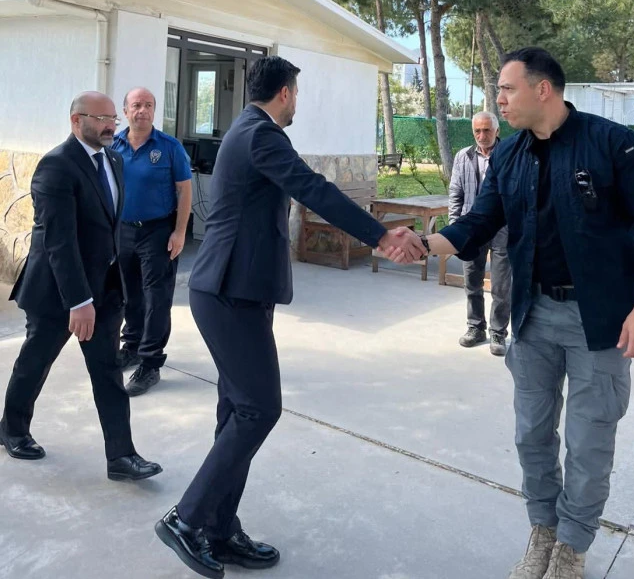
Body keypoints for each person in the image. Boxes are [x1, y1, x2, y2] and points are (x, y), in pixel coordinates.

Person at [386, 47, 634, 579]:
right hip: (531, 314)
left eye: (507, 88)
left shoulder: (613, 144)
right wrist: (425, 244)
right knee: (532, 435)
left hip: (601, 321)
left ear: (542, 89)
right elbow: (479, 221)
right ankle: (543, 530)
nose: (498, 99)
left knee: (589, 441)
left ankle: (572, 546)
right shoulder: (510, 155)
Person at [154, 56, 426, 579]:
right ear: (284, 92)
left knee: (236, 412)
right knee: (259, 409)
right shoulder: (261, 134)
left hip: (237, 291)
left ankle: (219, 528)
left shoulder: (247, 130)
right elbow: (312, 186)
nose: (297, 101)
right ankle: (186, 519)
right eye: (296, 92)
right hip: (229, 293)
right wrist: (379, 234)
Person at [0, 92, 163, 482]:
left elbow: (108, 226)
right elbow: (59, 242)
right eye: (101, 118)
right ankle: (12, 429)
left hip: (103, 290)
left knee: (108, 371)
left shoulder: (113, 160)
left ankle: (121, 457)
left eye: (113, 119)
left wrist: (110, 286)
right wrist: (79, 301)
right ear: (76, 120)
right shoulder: (56, 166)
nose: (111, 126)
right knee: (35, 363)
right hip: (57, 292)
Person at [112, 87, 193, 397]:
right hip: (123, 230)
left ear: (154, 111)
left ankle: (150, 363)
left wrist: (180, 232)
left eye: (148, 105)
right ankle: (132, 346)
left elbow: (184, 191)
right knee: (129, 293)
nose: (142, 110)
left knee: (156, 297)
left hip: (158, 231)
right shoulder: (113, 145)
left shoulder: (169, 147)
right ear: (125, 111)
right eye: (136, 105)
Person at [449, 111, 512, 356]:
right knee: (471, 280)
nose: (482, 135)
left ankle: (498, 332)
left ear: (497, 131)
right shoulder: (463, 156)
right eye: (477, 130)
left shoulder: (510, 155)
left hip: (503, 227)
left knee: (501, 284)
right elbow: (456, 192)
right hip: (471, 227)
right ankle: (475, 327)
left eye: (487, 130)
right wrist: (455, 226)